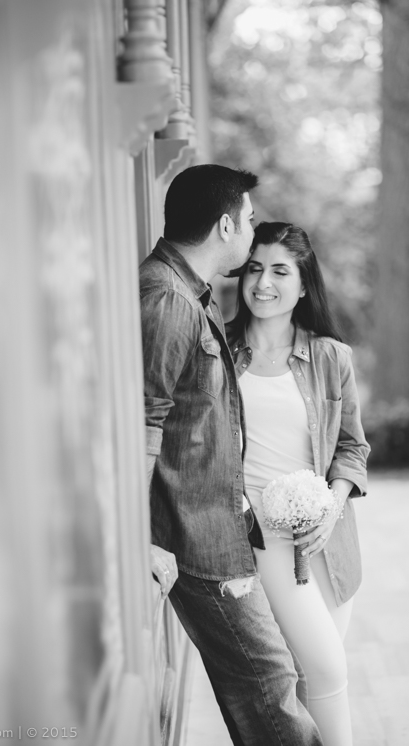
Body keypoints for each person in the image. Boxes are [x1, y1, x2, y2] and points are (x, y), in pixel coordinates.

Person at [140, 166, 323, 746]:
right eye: (247, 220)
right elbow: (141, 422)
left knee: (272, 688)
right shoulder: (168, 299)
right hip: (195, 541)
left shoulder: (190, 292)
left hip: (217, 528)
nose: (250, 231)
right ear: (225, 225)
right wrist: (138, 535)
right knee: (273, 695)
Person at [226, 222, 370, 746]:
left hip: (328, 543)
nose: (263, 282)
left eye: (279, 271)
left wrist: (331, 504)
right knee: (327, 670)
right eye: (254, 268)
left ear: (304, 284)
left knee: (312, 680)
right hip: (262, 540)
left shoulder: (331, 357)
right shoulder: (218, 352)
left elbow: (352, 448)